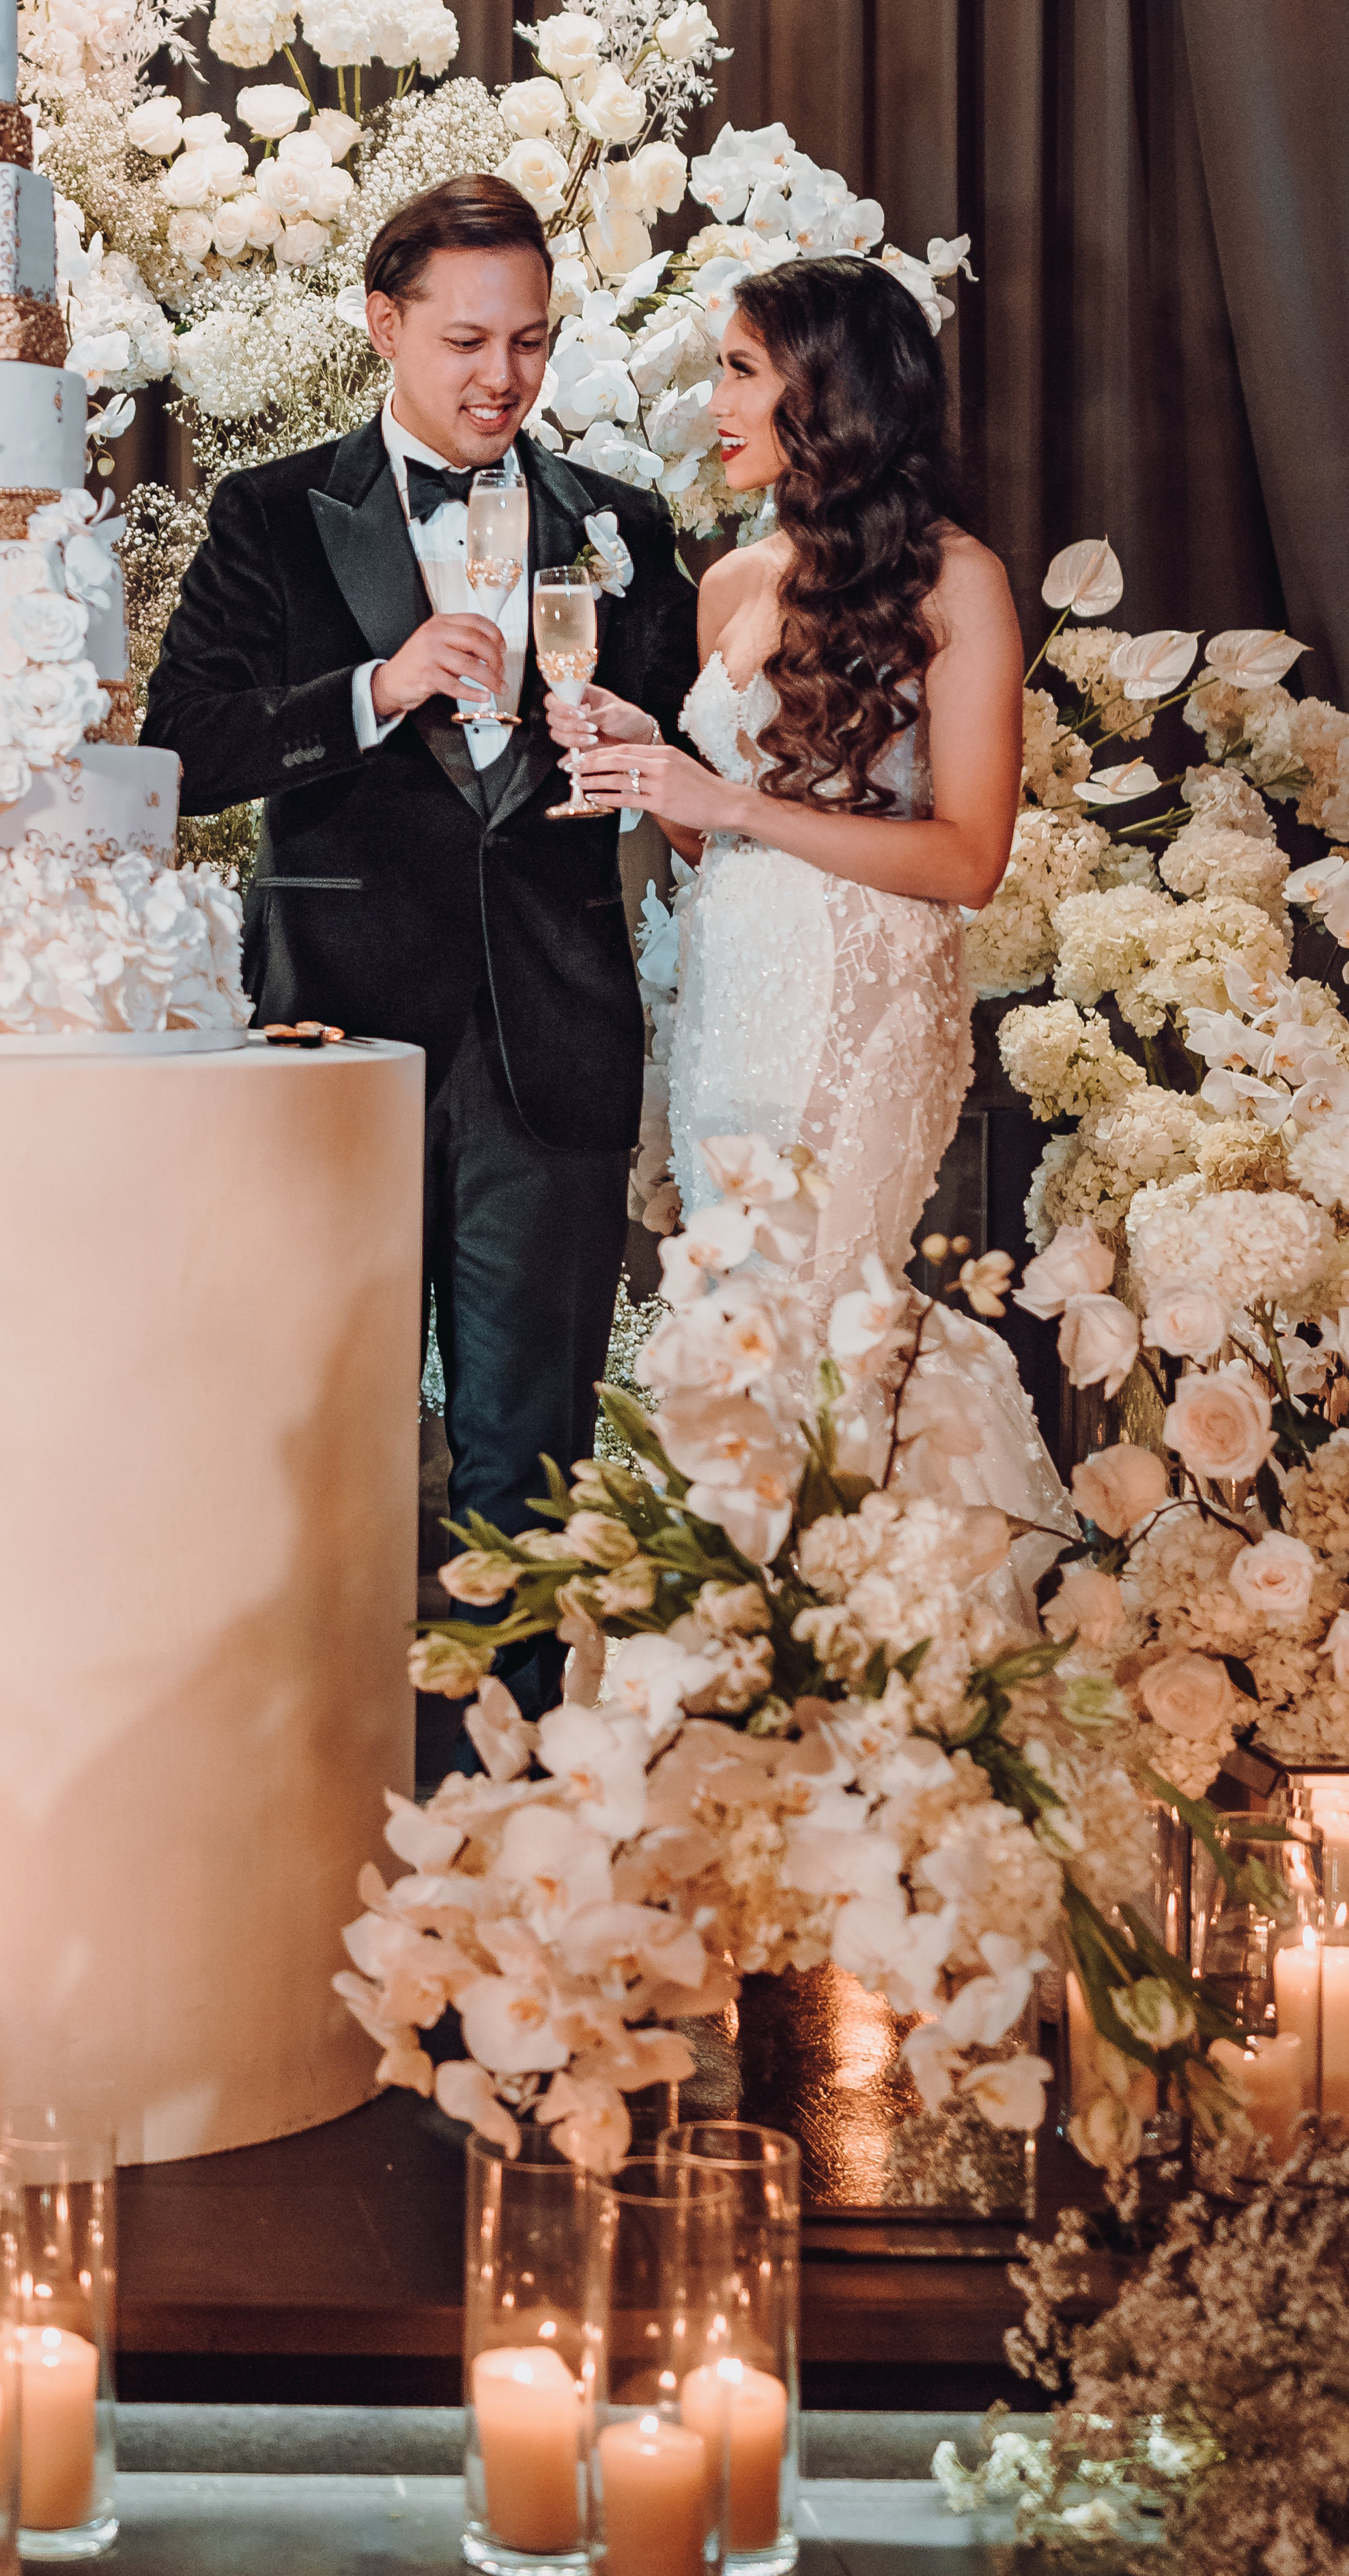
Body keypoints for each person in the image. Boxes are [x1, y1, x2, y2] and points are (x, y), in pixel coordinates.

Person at [145, 177, 700, 1648]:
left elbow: (702, 773)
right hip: (335, 1035)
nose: (500, 379)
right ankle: (313, 1817)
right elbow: (183, 749)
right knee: (314, 1452)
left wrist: (643, 755)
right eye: (464, 342)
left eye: (527, 342)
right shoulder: (270, 515)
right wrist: (371, 694)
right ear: (383, 324)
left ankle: (511, 1834)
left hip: (552, 1042)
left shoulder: (622, 523)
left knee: (531, 1474)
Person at [559, 252, 1073, 1560]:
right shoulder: (732, 583)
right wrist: (656, 765)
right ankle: (731, 1681)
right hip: (728, 1011)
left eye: (740, 369)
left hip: (861, 1006)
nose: (716, 399)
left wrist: (726, 804)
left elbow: (968, 859)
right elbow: (711, 841)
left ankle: (851, 1670)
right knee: (728, 1322)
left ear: (830, 389)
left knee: (822, 1311)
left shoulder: (958, 582)